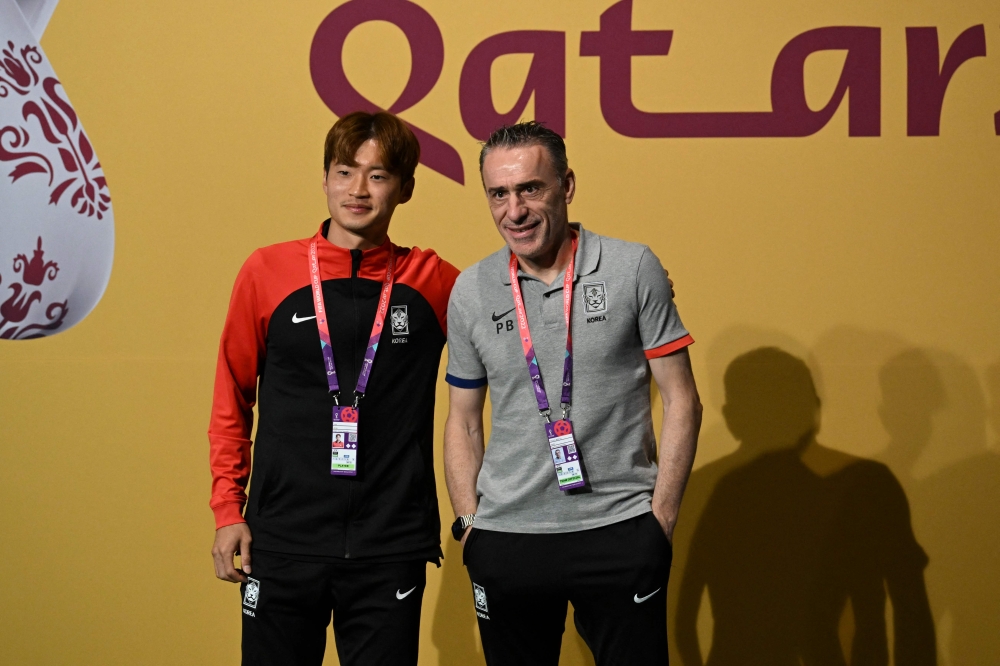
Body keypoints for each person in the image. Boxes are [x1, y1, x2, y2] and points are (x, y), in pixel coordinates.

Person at [443, 121, 703, 665]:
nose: (514, 211)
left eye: (530, 189)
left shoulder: (633, 268)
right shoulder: (471, 290)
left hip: (618, 529)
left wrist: (660, 521)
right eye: (499, 194)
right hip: (506, 537)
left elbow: (682, 399)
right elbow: (463, 420)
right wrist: (471, 526)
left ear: (567, 185)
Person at [208, 111, 458, 666]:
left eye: (378, 175)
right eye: (345, 171)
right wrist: (229, 511)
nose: (358, 190)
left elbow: (518, 307)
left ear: (405, 189)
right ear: (324, 179)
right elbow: (232, 397)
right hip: (281, 539)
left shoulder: (434, 282)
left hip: (389, 543)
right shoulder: (267, 271)